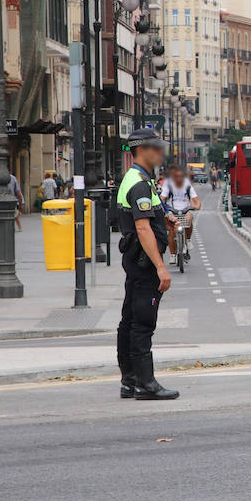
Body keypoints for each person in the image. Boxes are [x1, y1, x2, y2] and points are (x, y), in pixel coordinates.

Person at [114, 129, 179, 400]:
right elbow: (142, 228)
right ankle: (145, 384)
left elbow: (147, 220)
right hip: (144, 263)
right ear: (142, 150)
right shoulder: (140, 183)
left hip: (135, 260)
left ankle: (129, 381)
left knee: (129, 319)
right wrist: (161, 267)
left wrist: (164, 221)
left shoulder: (139, 179)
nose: (160, 154)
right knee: (142, 321)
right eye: (156, 148)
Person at [159, 165, 200, 260]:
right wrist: (163, 208)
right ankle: (173, 255)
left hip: (185, 210)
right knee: (172, 231)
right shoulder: (168, 185)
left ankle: (188, 239)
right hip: (172, 210)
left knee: (189, 219)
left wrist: (196, 206)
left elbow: (195, 199)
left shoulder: (187, 186)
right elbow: (162, 198)